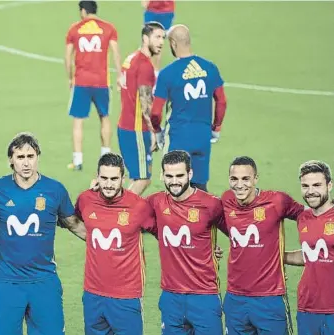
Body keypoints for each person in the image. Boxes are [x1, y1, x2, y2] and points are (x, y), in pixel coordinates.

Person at [0, 132, 86, 335]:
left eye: (31, 156)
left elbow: (74, 224)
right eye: (20, 157)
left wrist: (115, 241)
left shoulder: (55, 190)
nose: (26, 162)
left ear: (38, 157)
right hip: (7, 282)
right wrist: (0, 225)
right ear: (11, 160)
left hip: (44, 282)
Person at [145, 150, 230, 335]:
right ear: (162, 176)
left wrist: (215, 248)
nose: (174, 181)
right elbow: (129, 213)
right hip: (171, 296)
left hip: (204, 295)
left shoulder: (211, 204)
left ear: (190, 173)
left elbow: (237, 233)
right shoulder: (155, 202)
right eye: (169, 176)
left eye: (180, 175)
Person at [221, 156, 304, 335]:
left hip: (270, 299)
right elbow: (219, 227)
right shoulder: (226, 201)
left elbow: (308, 216)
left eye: (246, 178)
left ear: (256, 178)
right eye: (234, 179)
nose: (240, 184)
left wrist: (315, 250)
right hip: (236, 299)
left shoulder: (277, 201)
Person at [75, 153, 154, 335]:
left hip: (127, 295)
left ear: (123, 178)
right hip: (93, 294)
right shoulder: (85, 199)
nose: (109, 184)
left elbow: (167, 234)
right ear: (97, 177)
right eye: (104, 178)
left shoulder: (139, 206)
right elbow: (74, 222)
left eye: (114, 179)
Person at [150, 24, 227, 192]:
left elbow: (156, 112)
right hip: (202, 137)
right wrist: (216, 128)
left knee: (175, 189)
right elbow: (221, 101)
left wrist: (157, 131)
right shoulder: (209, 67)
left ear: (173, 44)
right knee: (200, 190)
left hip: (178, 137)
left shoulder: (167, 73)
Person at [284, 160, 334, 335]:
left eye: (317, 185)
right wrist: (277, 257)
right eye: (306, 186)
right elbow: (310, 255)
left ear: (329, 185)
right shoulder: (303, 218)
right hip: (308, 307)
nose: (311, 191)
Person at [65, 0, 122, 171]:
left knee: (78, 121)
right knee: (104, 118)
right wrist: (120, 75)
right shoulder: (108, 28)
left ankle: (77, 161)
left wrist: (70, 78)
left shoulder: (75, 29)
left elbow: (68, 58)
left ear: (83, 11)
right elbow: (115, 53)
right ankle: (106, 157)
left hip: (81, 81)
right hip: (101, 82)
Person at [117, 22, 164, 195]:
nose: (161, 42)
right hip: (137, 129)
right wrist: (154, 131)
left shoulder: (130, 58)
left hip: (125, 125)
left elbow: (121, 83)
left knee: (136, 178)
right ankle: (120, 214)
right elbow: (146, 102)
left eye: (163, 38)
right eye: (157, 37)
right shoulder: (145, 66)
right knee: (143, 179)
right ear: (145, 38)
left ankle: (120, 214)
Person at [141, 0, 175, 73]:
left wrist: (145, 4)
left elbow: (144, 4)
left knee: (148, 41)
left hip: (152, 11)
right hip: (167, 11)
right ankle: (156, 72)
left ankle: (148, 71)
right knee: (158, 42)